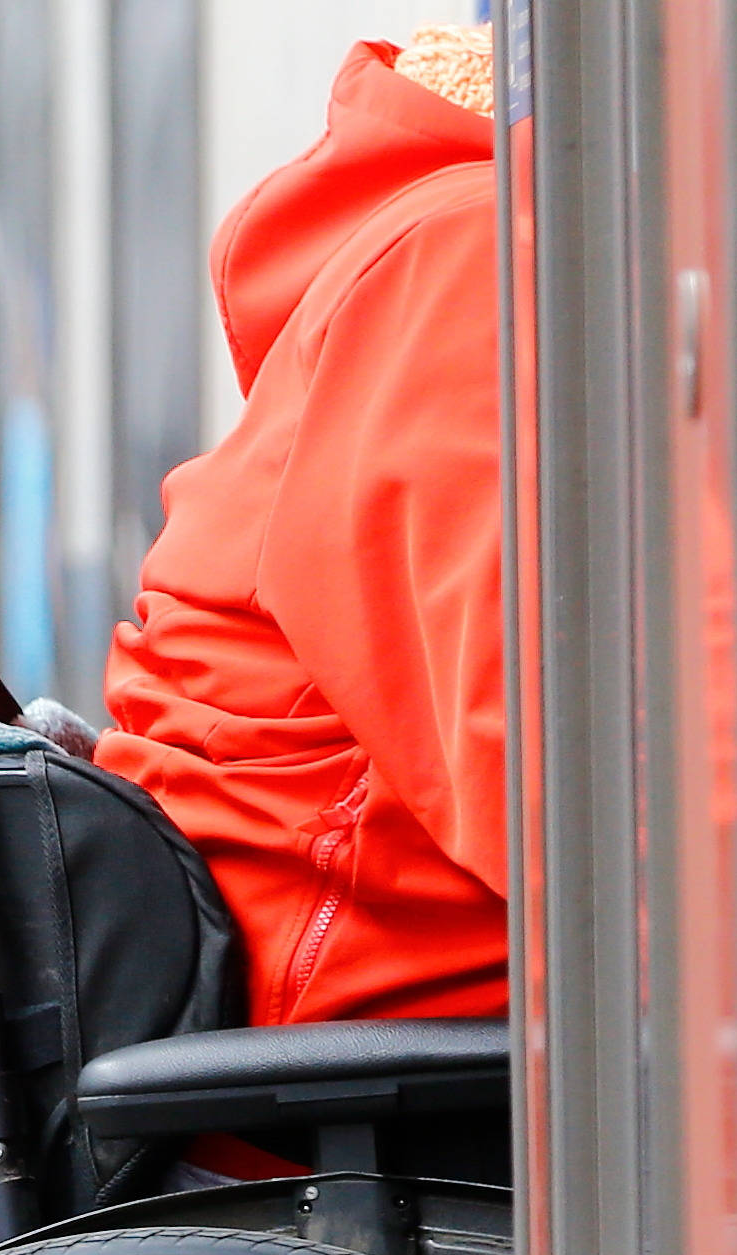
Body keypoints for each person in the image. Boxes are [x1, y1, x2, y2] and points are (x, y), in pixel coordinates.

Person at [101, 22, 507, 1027]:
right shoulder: (476, 261)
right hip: (365, 1042)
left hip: (390, 1011)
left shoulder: (468, 244)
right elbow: (567, 786)